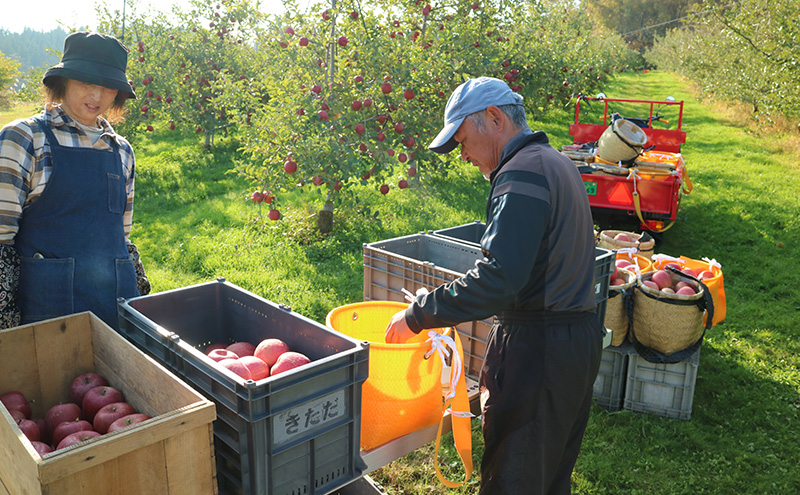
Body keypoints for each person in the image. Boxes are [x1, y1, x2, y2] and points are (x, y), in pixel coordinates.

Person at [385, 77, 603, 495]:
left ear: (495, 118)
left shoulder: (522, 172)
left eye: (463, 141)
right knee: (549, 474)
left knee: (515, 478)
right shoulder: (555, 162)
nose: (463, 155)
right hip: (574, 340)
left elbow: (500, 277)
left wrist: (419, 314)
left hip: (539, 350)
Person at [0, 31, 150, 331]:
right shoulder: (25, 138)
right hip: (48, 310)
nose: (96, 97)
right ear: (63, 82)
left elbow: (121, 235)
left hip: (113, 304)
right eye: (86, 83)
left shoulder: (122, 151)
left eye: (107, 87)